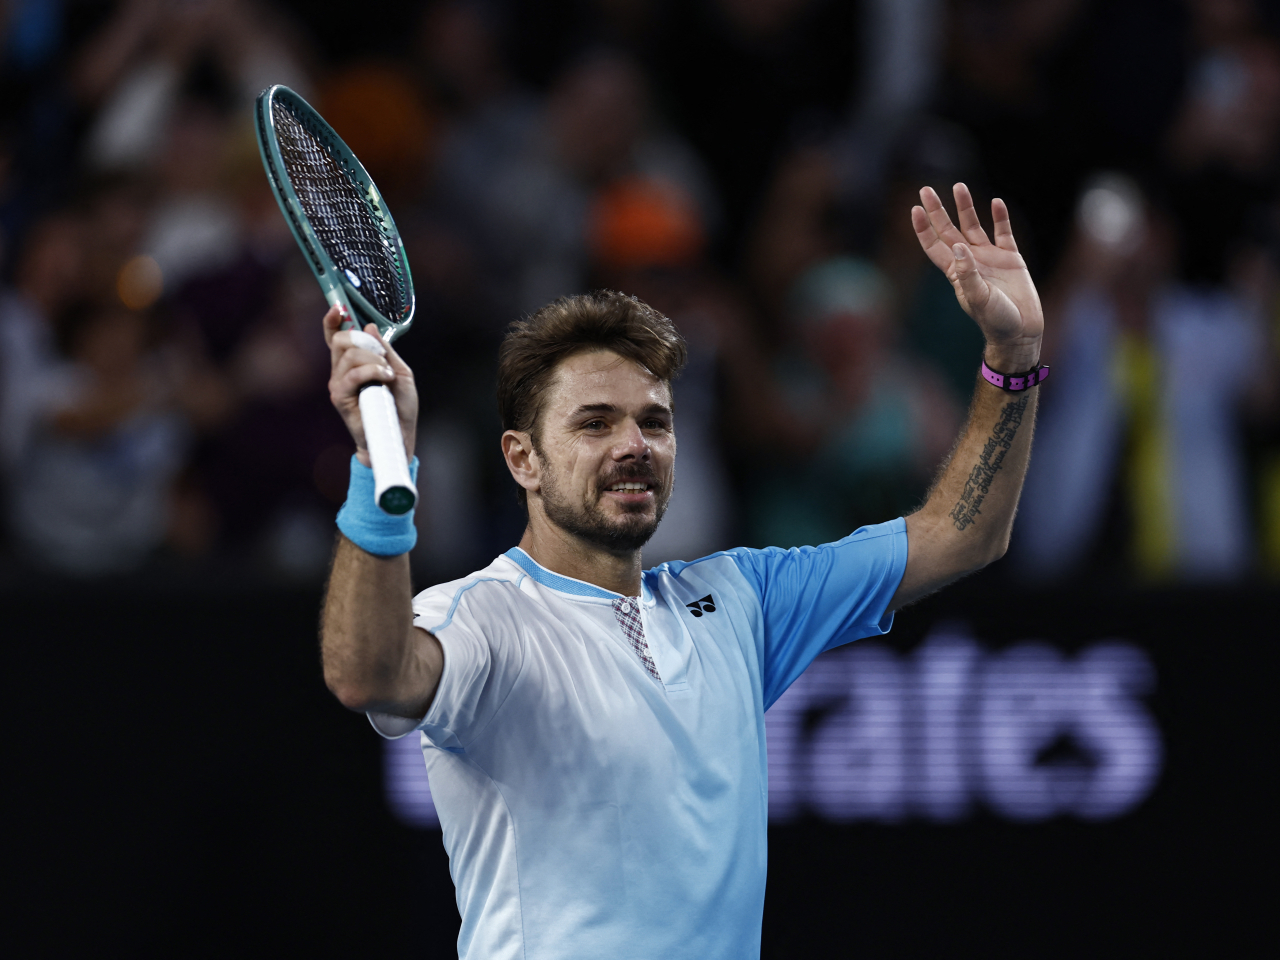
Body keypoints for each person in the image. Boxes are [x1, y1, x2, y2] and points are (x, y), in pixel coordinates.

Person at [319, 184, 1045, 959]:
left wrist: (1015, 355)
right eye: (595, 422)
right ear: (522, 459)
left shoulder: (741, 600)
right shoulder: (481, 617)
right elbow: (370, 674)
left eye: (654, 422)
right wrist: (376, 466)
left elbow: (963, 532)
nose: (634, 444)